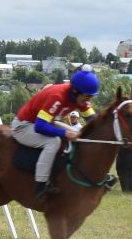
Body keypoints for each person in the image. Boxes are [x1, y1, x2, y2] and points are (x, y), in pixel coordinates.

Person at [13, 69, 101, 201]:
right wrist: (65, 133)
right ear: (76, 91)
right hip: (23, 126)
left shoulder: (80, 97)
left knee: (78, 135)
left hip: (47, 122)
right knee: (53, 142)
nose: (89, 100)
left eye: (91, 97)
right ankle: (41, 185)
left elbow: (93, 121)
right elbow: (40, 126)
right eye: (88, 96)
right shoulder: (58, 97)